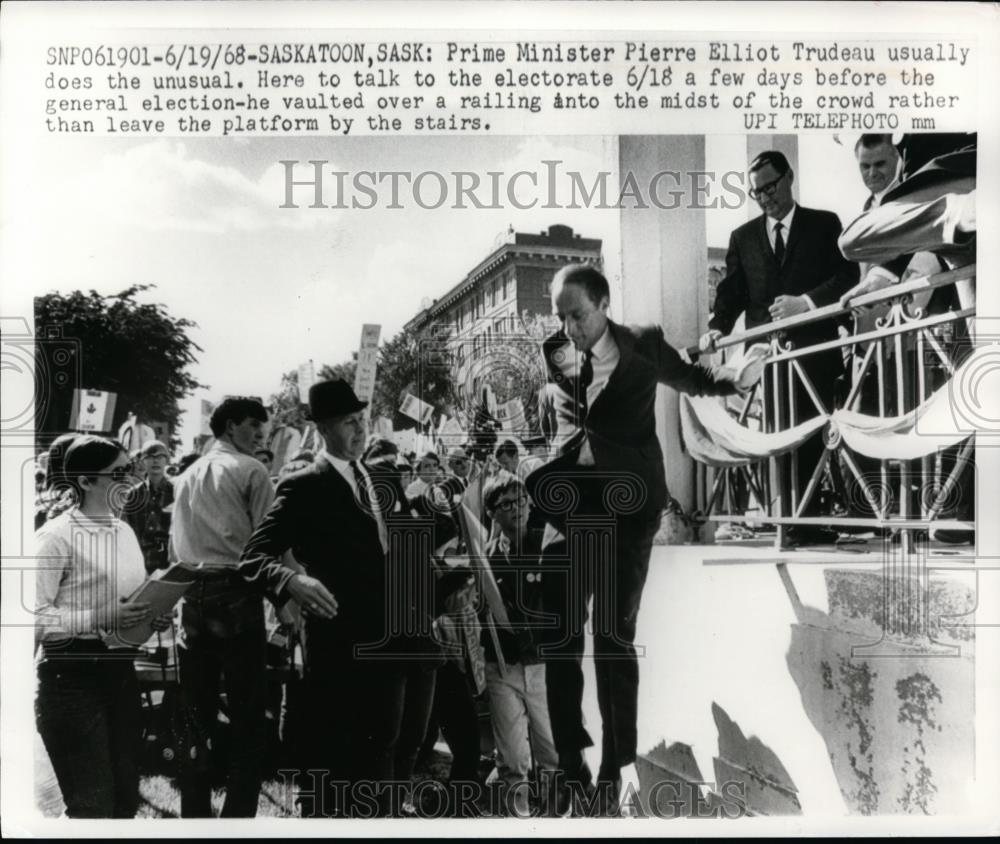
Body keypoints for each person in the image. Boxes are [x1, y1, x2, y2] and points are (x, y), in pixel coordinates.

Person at [526, 264, 756, 815]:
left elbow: (690, 380)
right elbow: (568, 416)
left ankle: (613, 767)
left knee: (611, 636)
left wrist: (735, 379)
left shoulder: (643, 344)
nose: (570, 328)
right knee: (559, 635)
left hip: (628, 509)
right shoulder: (558, 351)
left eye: (577, 315)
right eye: (561, 316)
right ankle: (572, 762)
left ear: (604, 304)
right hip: (574, 503)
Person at [240, 380, 440, 817]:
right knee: (356, 759)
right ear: (325, 428)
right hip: (347, 645)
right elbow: (253, 558)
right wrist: (291, 583)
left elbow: (396, 552)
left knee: (403, 747)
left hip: (405, 636)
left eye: (362, 419)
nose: (360, 429)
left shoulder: (384, 478)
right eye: (349, 422)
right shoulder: (305, 485)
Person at [699, 150, 859, 543]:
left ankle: (808, 521)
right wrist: (717, 326)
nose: (765, 197)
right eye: (757, 192)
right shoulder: (743, 237)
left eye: (770, 186)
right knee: (776, 434)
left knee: (812, 434)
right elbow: (732, 292)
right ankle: (786, 522)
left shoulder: (824, 225)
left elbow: (846, 276)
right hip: (767, 361)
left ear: (789, 178)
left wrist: (805, 303)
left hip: (814, 352)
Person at [35, 435, 171, 817]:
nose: (129, 481)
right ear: (85, 481)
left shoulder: (124, 531)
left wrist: (150, 613)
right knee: (92, 803)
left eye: (131, 470)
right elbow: (32, 617)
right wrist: (98, 617)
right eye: (118, 473)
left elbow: (127, 602)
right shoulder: (54, 537)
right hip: (71, 680)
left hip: (120, 675)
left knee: (125, 801)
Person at [169, 397, 275, 818]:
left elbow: (175, 546)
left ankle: (195, 815)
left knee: (196, 715)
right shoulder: (252, 470)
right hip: (235, 592)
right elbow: (269, 546)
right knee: (249, 718)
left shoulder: (186, 474)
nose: (260, 437)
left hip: (191, 595)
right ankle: (237, 818)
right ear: (231, 426)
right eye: (254, 428)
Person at [481, 472, 558, 817]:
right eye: (507, 503)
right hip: (503, 669)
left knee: (554, 755)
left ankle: (559, 820)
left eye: (522, 500)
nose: (518, 508)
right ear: (492, 513)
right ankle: (520, 822)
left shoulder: (549, 545)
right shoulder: (485, 558)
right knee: (512, 760)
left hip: (544, 668)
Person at [124, 440, 175, 573]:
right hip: (140, 563)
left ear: (167, 460)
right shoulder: (133, 494)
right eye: (150, 457)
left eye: (160, 457)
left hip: (169, 563)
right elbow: (127, 531)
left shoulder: (177, 491)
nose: (155, 461)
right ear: (142, 461)